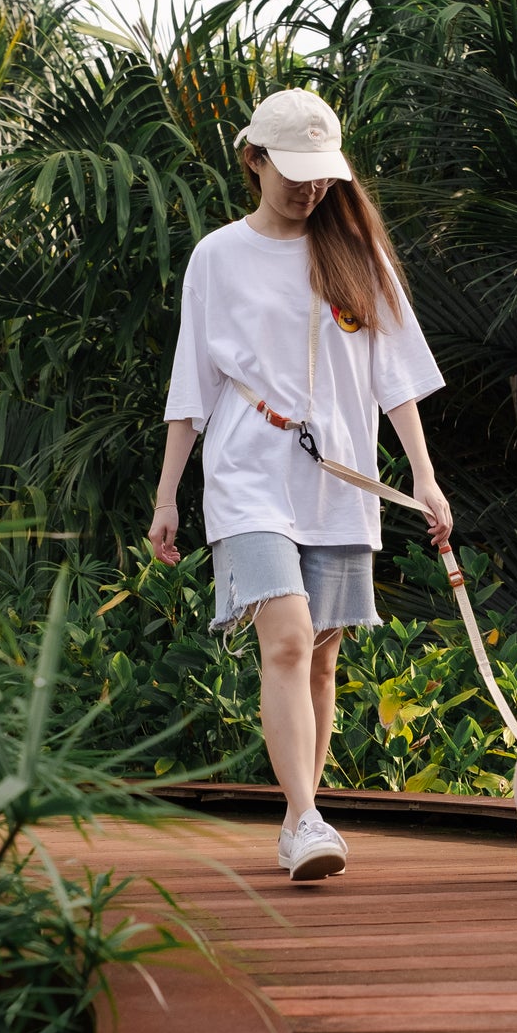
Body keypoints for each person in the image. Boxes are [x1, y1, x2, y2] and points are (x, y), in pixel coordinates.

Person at [148, 87, 452, 881]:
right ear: (253, 159)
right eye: (292, 170)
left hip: (342, 479)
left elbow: (398, 380)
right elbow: (193, 383)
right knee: (284, 636)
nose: (309, 187)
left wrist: (423, 477)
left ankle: (295, 819)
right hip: (248, 473)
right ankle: (310, 815)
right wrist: (165, 496)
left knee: (321, 658)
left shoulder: (356, 253)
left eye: (322, 173)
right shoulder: (217, 255)